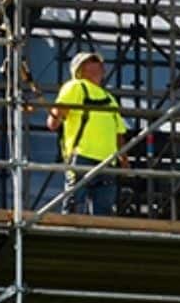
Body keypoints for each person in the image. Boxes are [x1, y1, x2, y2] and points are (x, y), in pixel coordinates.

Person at [46, 50, 129, 214]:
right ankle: (69, 234)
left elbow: (118, 132)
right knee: (75, 203)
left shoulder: (109, 98)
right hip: (82, 156)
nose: (96, 66)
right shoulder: (75, 87)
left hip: (107, 160)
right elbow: (55, 119)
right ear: (80, 69)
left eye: (97, 63)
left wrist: (123, 158)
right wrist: (54, 118)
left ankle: (100, 238)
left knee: (103, 209)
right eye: (90, 62)